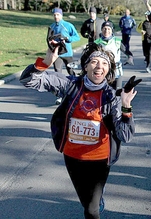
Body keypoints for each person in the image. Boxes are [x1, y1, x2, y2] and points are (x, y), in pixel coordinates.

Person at [19, 43, 137, 219]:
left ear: (109, 69)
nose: (99, 67)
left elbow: (124, 135)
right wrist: (46, 62)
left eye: (104, 63)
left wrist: (126, 106)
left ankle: (96, 201)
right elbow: (29, 80)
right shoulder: (70, 85)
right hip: (73, 157)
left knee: (91, 210)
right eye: (94, 62)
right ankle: (95, 200)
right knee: (85, 201)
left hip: (100, 159)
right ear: (86, 66)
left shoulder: (112, 96)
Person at [49, 8, 81, 104]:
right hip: (57, 53)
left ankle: (77, 90)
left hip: (67, 53)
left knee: (71, 71)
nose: (56, 17)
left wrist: (68, 39)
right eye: (54, 15)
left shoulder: (68, 25)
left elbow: (77, 37)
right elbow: (49, 38)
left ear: (61, 15)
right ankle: (60, 95)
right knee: (58, 73)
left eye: (58, 15)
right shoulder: (52, 26)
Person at [94, 21, 124, 90]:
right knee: (104, 93)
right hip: (103, 71)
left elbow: (127, 51)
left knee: (117, 93)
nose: (106, 31)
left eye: (108, 29)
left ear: (112, 30)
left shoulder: (117, 41)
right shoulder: (97, 42)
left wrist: (130, 57)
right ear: (101, 30)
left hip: (117, 71)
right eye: (104, 29)